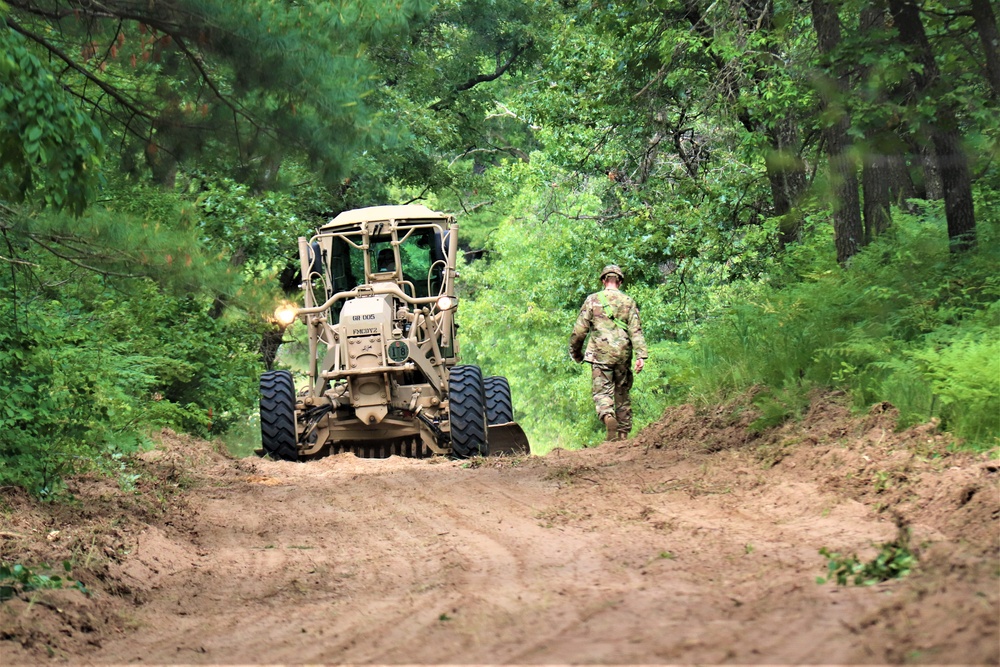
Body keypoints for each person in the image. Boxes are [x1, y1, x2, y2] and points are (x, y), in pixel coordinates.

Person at [569, 265, 648, 441]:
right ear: (619, 281)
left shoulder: (592, 300)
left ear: (604, 280)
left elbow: (579, 331)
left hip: (600, 355)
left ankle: (608, 416)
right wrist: (641, 356)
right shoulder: (628, 302)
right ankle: (623, 435)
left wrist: (576, 353)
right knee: (622, 392)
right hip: (622, 355)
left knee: (602, 392)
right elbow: (636, 331)